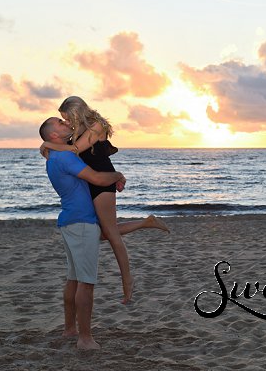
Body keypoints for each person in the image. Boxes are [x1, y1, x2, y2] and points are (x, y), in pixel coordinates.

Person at [37, 96, 169, 304]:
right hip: (91, 182)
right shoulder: (77, 132)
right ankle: (147, 222)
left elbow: (74, 151)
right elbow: (68, 157)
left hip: (103, 182)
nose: (68, 123)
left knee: (111, 235)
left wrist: (47, 143)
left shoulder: (97, 126)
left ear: (76, 112)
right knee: (102, 232)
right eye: (64, 121)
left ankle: (127, 280)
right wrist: (49, 147)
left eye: (67, 118)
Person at [39, 117, 125, 350]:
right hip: (82, 223)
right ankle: (85, 339)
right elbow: (97, 178)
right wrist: (117, 175)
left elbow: (57, 148)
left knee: (74, 279)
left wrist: (47, 146)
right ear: (53, 135)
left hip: (70, 222)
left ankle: (70, 329)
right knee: (86, 283)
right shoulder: (65, 156)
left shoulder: (54, 156)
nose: (65, 121)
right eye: (59, 121)